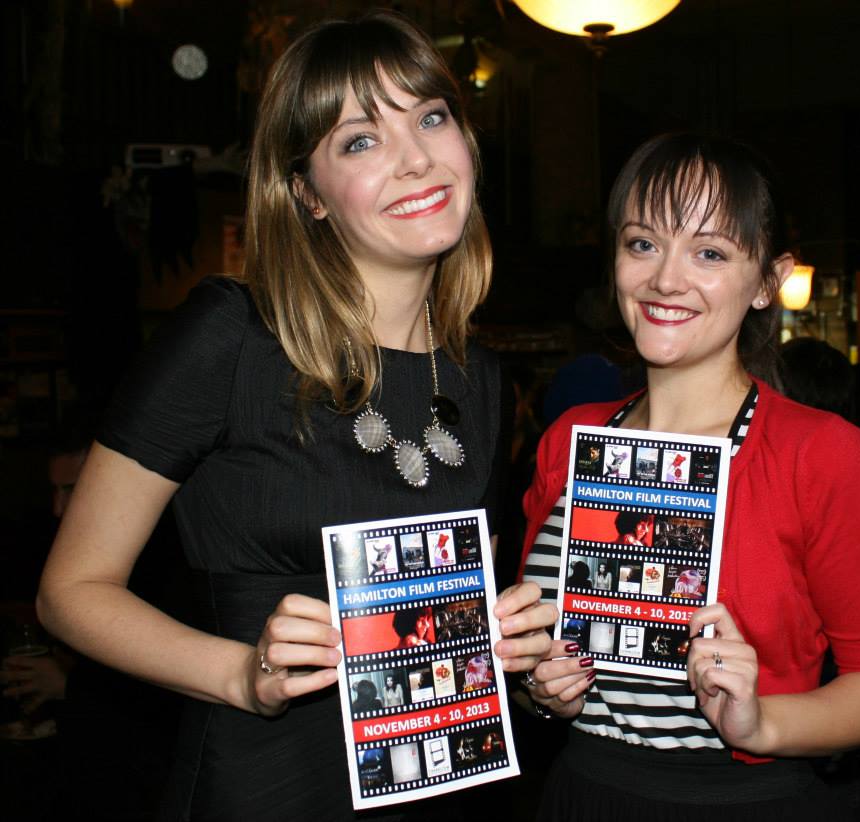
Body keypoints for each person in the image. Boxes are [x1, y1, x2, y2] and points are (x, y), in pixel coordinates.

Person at [36, 13, 554, 821]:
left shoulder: (479, 378)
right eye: (360, 140)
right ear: (307, 194)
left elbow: (435, 618)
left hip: (448, 788)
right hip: (267, 788)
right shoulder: (231, 338)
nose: (416, 156)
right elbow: (70, 590)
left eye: (429, 116)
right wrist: (242, 675)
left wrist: (506, 640)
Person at [518, 133, 860, 820]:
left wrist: (760, 723)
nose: (665, 279)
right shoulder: (569, 439)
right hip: (586, 788)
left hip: (752, 800)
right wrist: (542, 684)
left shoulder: (821, 453)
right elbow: (542, 650)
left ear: (769, 280)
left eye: (709, 252)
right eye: (643, 244)